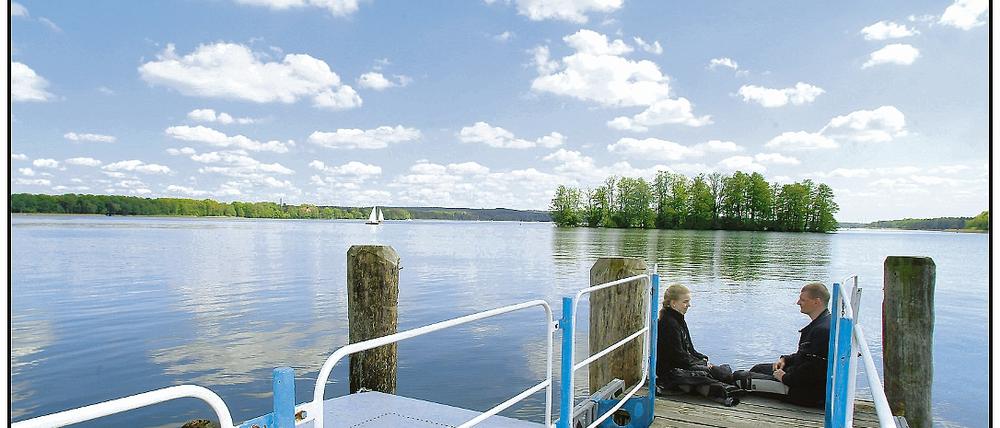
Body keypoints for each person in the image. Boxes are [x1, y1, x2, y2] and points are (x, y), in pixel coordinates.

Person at [732, 282, 832, 408]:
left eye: (802, 300)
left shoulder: (822, 331)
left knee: (739, 378)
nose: (798, 302)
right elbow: (807, 356)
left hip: (803, 392)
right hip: (799, 378)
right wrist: (785, 359)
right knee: (758, 368)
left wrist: (784, 378)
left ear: (816, 302)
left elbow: (813, 371)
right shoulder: (825, 323)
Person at [656, 284, 741, 406]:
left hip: (682, 365)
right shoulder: (668, 323)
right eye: (685, 302)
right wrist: (703, 365)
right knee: (714, 374)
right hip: (672, 371)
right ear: (673, 303)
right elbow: (677, 357)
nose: (689, 305)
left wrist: (702, 358)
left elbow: (690, 349)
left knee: (723, 372)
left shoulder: (678, 319)